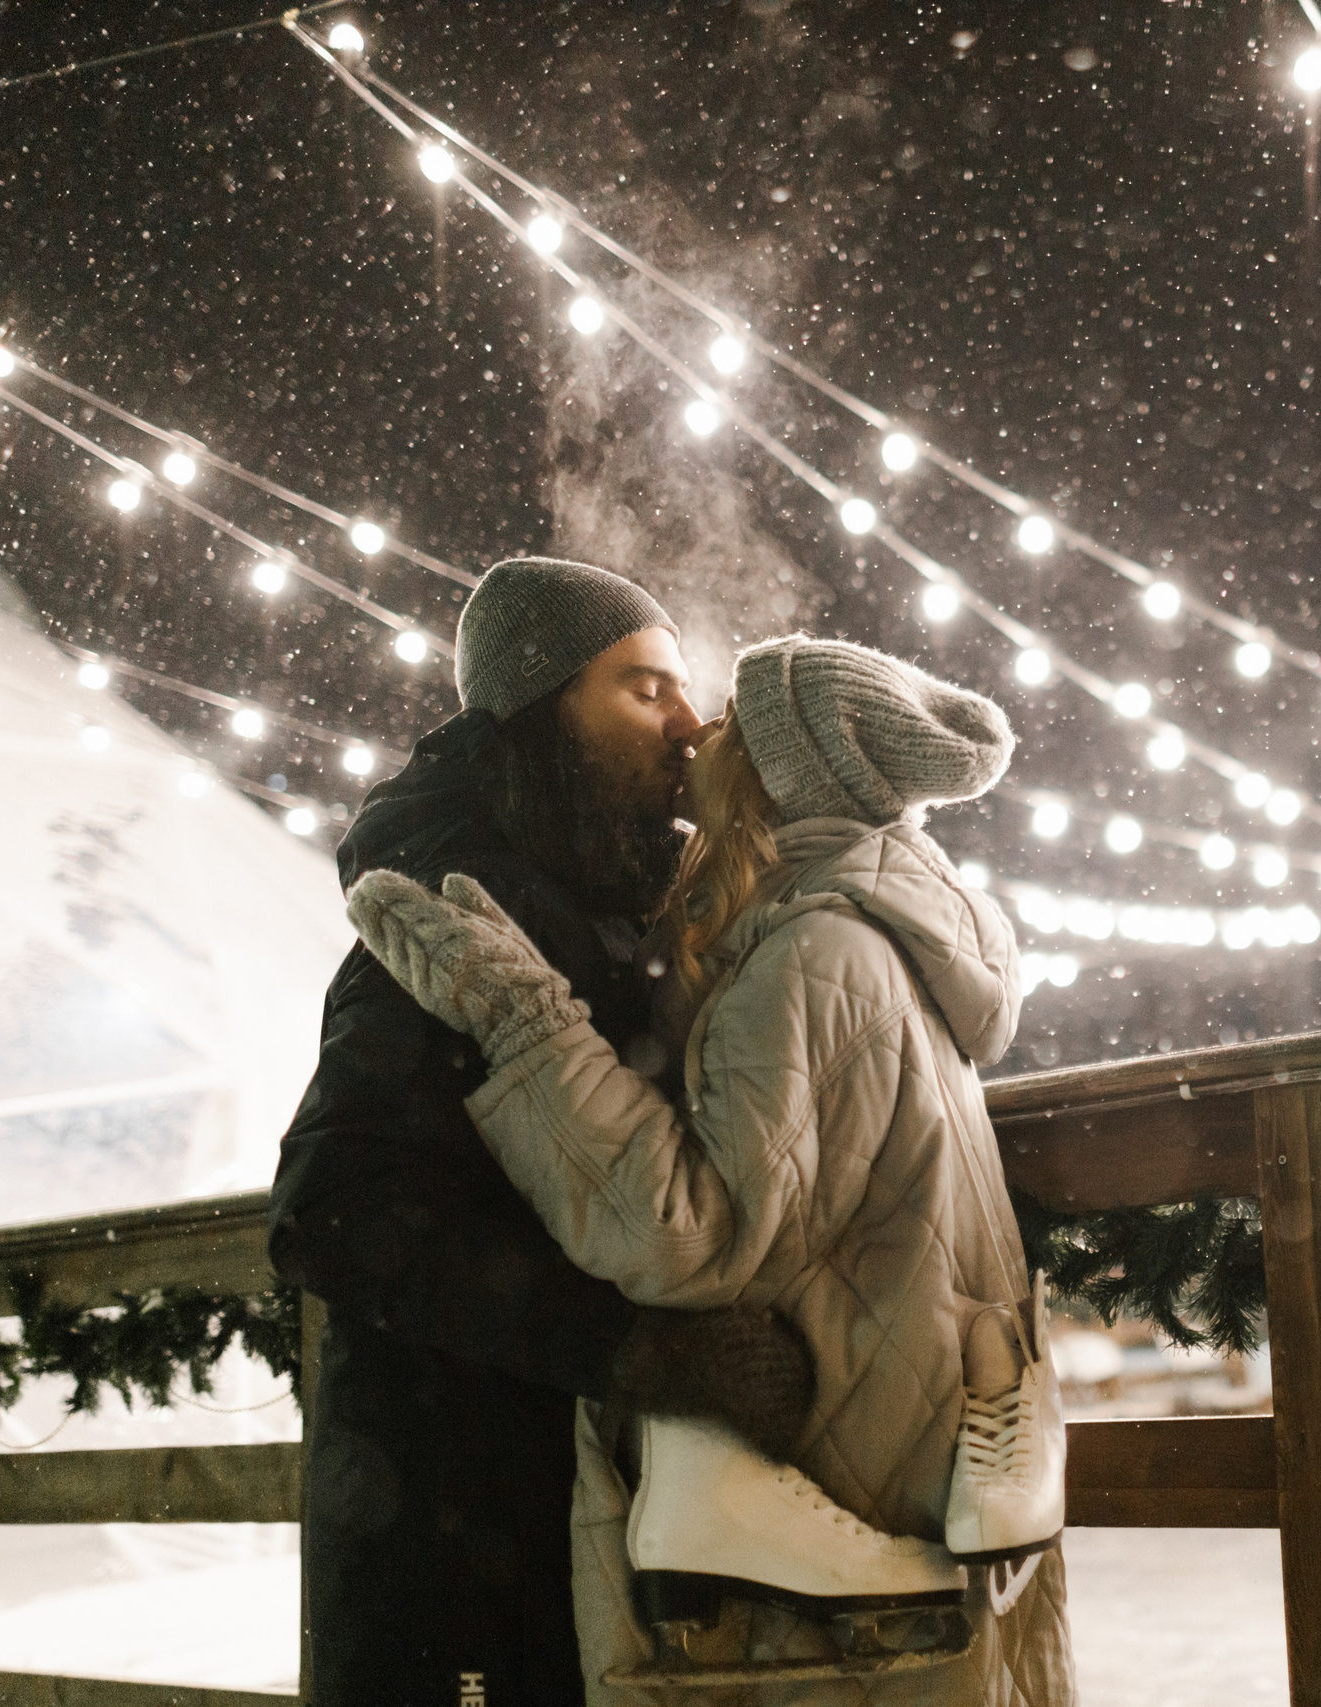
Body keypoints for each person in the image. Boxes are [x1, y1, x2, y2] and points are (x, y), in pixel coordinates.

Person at [348, 634, 1074, 1705]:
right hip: (872, 1474)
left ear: (787, 769)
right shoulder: (859, 935)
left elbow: (696, 1238)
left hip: (821, 1513)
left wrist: (526, 1024)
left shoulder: (813, 957)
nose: (697, 733)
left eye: (731, 718)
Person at [270, 559, 817, 1706]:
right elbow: (337, 1210)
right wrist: (628, 1350)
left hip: (566, 1509)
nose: (691, 721)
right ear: (540, 709)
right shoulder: (451, 911)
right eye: (644, 688)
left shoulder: (617, 899)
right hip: (452, 1521)